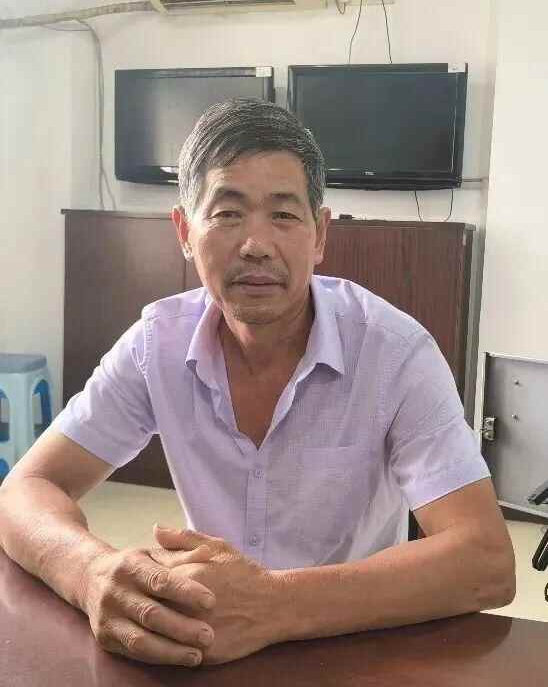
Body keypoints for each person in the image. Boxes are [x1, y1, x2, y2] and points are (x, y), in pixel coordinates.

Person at [0, 98, 515, 669]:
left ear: (319, 234)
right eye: (227, 213)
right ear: (184, 231)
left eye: (284, 215)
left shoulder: (395, 352)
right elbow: (25, 490)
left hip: (354, 644)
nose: (256, 244)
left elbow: (485, 561)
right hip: (208, 642)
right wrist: (91, 572)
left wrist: (274, 604)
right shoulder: (156, 345)